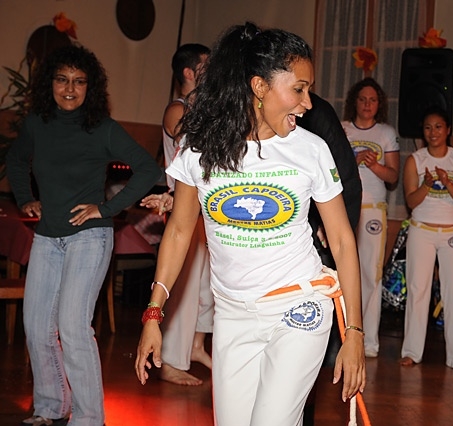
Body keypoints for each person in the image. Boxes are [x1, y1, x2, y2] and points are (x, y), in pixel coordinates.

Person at [135, 22, 366, 426]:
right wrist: (154, 312)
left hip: (299, 307)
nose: (307, 103)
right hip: (232, 315)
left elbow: (344, 242)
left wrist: (355, 335)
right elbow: (179, 231)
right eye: (299, 89)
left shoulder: (311, 149)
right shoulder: (200, 150)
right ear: (259, 87)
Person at [7, 45, 162, 426]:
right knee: (36, 326)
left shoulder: (102, 128)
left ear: (90, 87)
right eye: (62, 80)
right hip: (47, 236)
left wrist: (107, 209)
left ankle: (89, 418)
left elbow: (147, 169)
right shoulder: (36, 124)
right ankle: (50, 406)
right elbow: (15, 159)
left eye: (79, 81)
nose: (70, 89)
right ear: (50, 84)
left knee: (73, 327)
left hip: (89, 237)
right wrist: (25, 199)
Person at [139, 43, 214, 386]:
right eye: (206, 65)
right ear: (189, 72)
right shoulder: (177, 109)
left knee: (207, 288)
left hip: (208, 208)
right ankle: (169, 360)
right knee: (183, 287)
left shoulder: (207, 108)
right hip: (182, 203)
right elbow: (190, 140)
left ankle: (196, 347)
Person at [296, 92, 362, 426]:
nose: (304, 100)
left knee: (303, 355)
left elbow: (348, 179)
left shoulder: (317, 116)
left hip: (313, 246)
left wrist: (332, 225)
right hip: (247, 296)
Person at [399, 106, 453, 370]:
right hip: (422, 230)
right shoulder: (415, 160)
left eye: (438, 127)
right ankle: (411, 352)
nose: (433, 132)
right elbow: (411, 201)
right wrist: (427, 185)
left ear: (448, 130)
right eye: (428, 127)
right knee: (418, 290)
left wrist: (447, 182)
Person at [342, 77, 399, 358]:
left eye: (373, 100)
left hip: (374, 208)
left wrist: (373, 164)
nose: (367, 104)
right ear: (355, 101)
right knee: (342, 271)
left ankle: (370, 341)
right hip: (344, 207)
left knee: (370, 274)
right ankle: (342, 338)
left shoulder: (386, 132)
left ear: (379, 104)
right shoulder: (343, 129)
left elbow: (393, 176)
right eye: (363, 99)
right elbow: (332, 169)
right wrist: (353, 161)